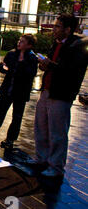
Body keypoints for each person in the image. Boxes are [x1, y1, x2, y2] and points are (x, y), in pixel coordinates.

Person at [30, 14, 88, 177]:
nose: (53, 29)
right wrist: (45, 65)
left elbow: (69, 70)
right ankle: (41, 158)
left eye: (57, 26)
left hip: (61, 94)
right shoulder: (56, 44)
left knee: (57, 131)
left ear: (67, 29)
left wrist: (51, 65)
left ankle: (56, 166)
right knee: (41, 126)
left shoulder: (77, 46)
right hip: (47, 90)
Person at [0, 34, 38, 148]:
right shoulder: (12, 53)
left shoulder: (32, 58)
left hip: (20, 92)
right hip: (7, 88)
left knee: (17, 117)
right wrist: (2, 67)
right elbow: (4, 67)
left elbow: (30, 74)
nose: (19, 43)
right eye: (19, 40)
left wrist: (21, 63)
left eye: (22, 42)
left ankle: (10, 139)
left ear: (29, 45)